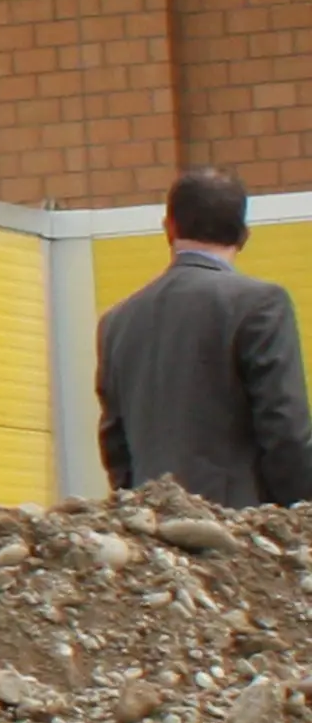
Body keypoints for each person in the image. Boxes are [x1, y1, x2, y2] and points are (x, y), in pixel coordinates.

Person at [97, 167, 312, 508]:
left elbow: (115, 446)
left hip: (150, 526)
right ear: (243, 234)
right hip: (235, 524)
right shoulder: (261, 304)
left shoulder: (117, 321)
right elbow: (284, 430)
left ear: (169, 228)